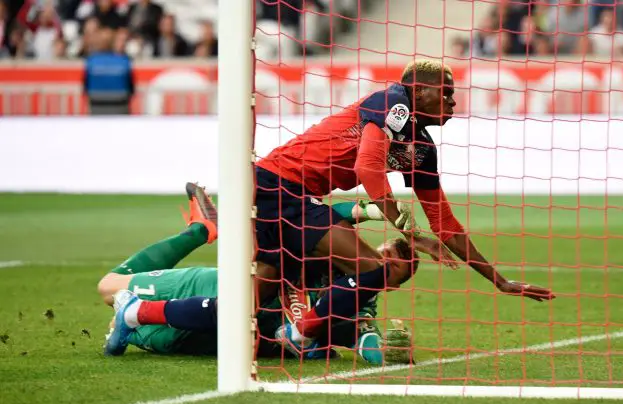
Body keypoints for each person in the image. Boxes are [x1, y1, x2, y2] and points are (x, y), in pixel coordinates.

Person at [253, 59, 556, 354]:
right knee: (371, 269)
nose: (452, 102)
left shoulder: (421, 150)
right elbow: (368, 168)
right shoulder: (393, 102)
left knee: (267, 278)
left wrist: (499, 281)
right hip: (279, 184)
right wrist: (411, 233)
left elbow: (445, 223)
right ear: (419, 91)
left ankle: (247, 336)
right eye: (445, 93)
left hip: (284, 191)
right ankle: (301, 334)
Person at [99, 183, 415, 364]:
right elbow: (326, 218)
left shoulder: (360, 306)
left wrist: (390, 353)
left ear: (392, 287)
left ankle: (135, 318)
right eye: (383, 254)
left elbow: (366, 340)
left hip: (225, 333)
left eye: (391, 268)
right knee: (108, 289)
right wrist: (370, 210)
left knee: (127, 325)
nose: (381, 263)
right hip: (223, 286)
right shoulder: (337, 254)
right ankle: (201, 230)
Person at [83, 28, 134, 115]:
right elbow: (131, 88)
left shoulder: (91, 61)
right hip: (120, 108)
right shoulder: (124, 61)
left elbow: (85, 87)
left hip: (96, 108)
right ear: (113, 42)